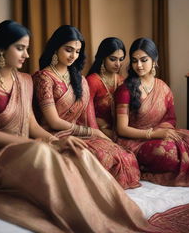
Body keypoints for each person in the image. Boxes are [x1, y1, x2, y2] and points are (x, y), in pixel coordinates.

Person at [0, 22, 159, 233]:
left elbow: (33, 125)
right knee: (42, 151)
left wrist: (59, 141)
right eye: (20, 48)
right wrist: (41, 144)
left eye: (27, 49)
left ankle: (107, 216)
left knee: (77, 153)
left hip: (20, 149)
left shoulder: (25, 81)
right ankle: (80, 221)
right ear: (1, 49)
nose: (27, 55)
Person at [32, 25, 141, 190]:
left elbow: (88, 116)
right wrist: (93, 132)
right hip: (54, 135)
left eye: (77, 51)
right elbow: (53, 122)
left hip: (79, 133)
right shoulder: (44, 78)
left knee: (123, 155)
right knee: (95, 157)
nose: (73, 56)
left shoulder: (79, 79)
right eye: (68, 50)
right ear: (56, 47)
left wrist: (99, 136)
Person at [114, 37, 189, 187]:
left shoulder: (162, 87)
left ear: (154, 60)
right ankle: (146, 168)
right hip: (135, 141)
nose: (139, 65)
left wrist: (162, 131)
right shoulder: (125, 89)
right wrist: (153, 134)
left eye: (144, 60)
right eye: (134, 60)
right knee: (169, 154)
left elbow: (170, 119)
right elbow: (121, 129)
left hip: (158, 134)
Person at [86, 37, 125, 138]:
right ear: (103, 58)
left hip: (119, 132)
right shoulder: (93, 81)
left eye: (121, 59)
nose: (118, 64)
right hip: (96, 131)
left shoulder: (122, 81)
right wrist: (102, 129)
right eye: (113, 59)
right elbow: (85, 113)